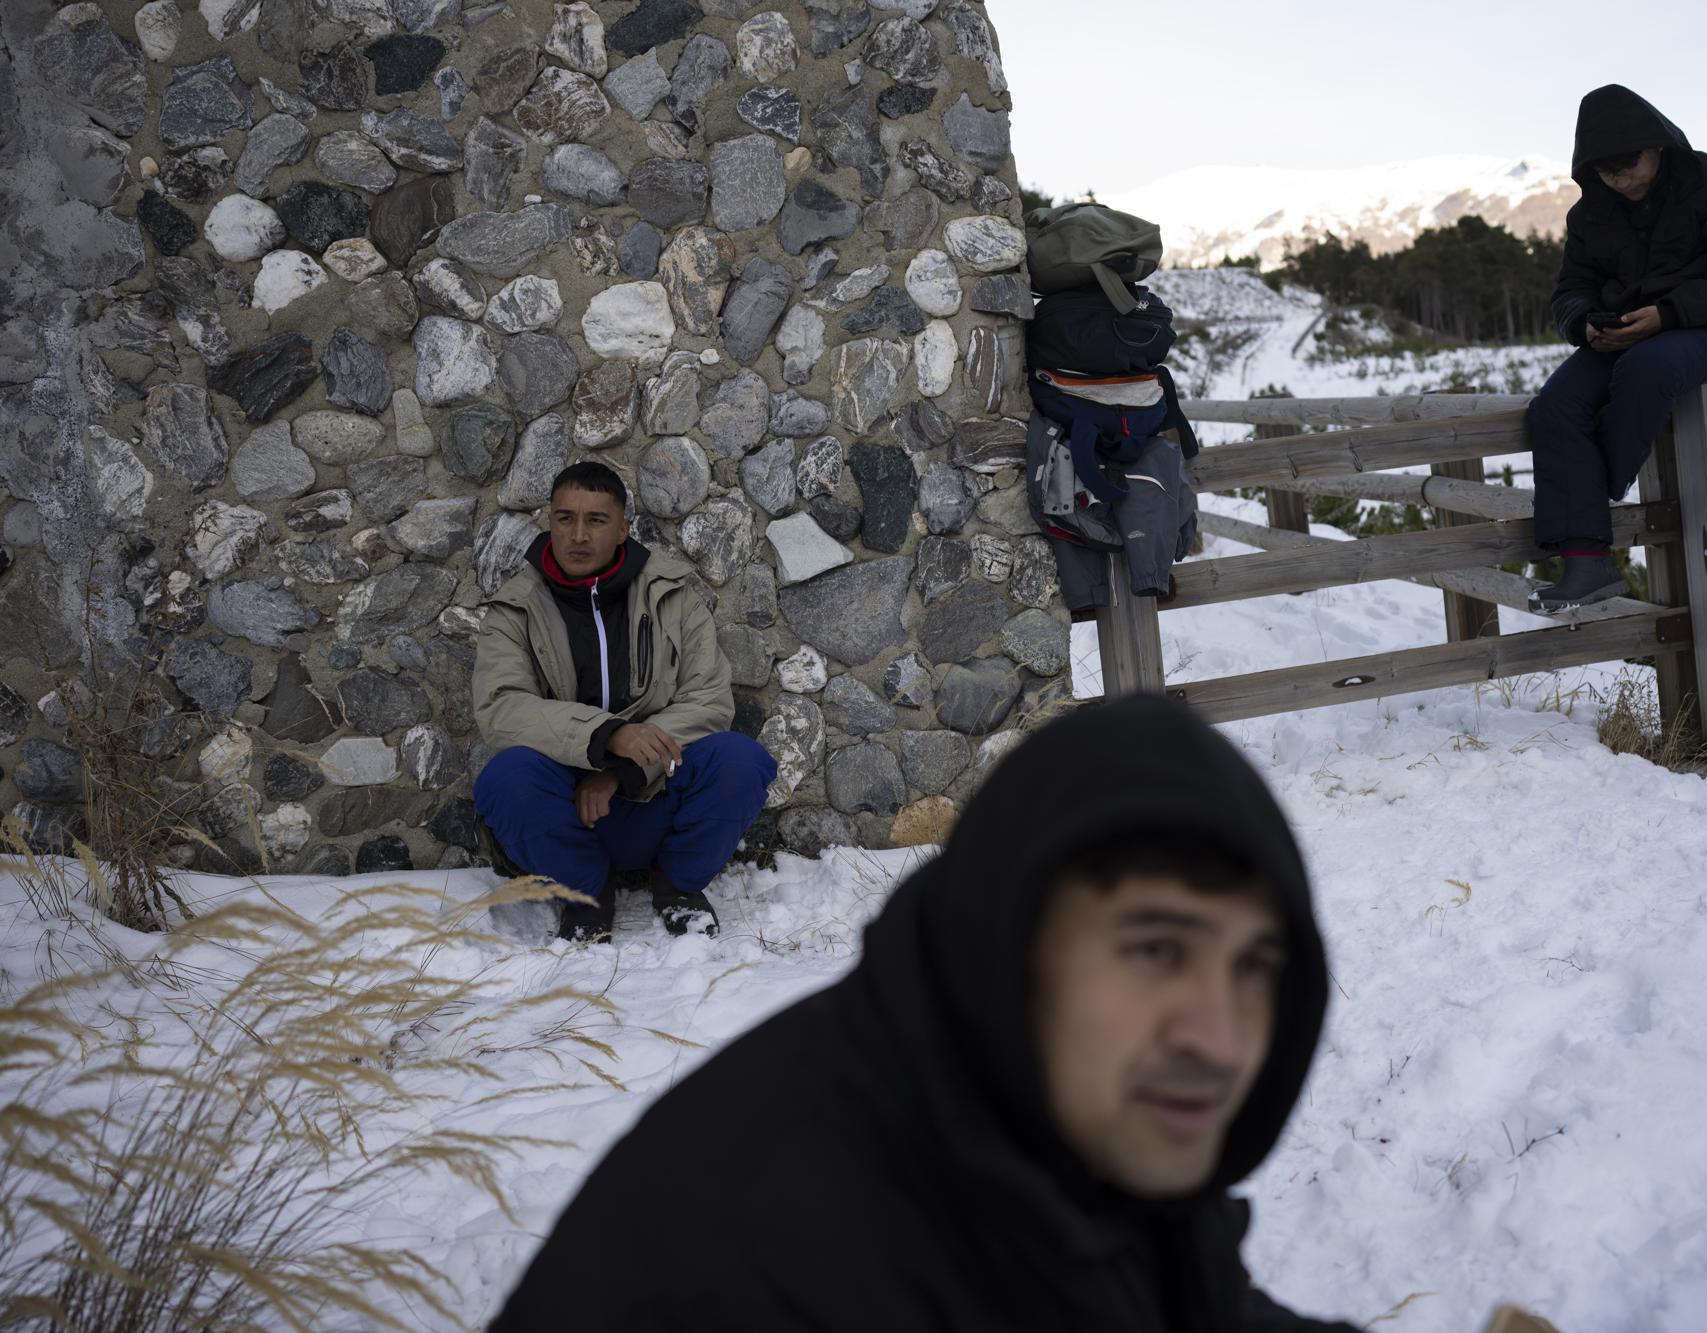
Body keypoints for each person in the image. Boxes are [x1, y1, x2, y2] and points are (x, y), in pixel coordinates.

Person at [490, 694, 1361, 1331]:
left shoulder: (1064, 1114)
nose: (1215, 1035)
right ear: (1011, 939)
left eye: (1256, 965)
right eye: (1154, 951)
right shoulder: (775, 1257)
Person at [472, 461, 775, 941]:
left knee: (741, 760)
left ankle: (678, 887)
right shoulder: (515, 609)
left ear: (622, 531)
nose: (578, 534)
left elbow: (709, 700)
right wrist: (607, 737)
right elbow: (503, 708)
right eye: (565, 518)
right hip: (571, 808)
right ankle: (585, 896)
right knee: (505, 779)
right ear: (549, 522)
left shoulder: (672, 597)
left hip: (655, 793)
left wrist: (623, 772)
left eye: (596, 520)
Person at [1528, 84, 1707, 609]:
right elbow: (1570, 291)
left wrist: (1670, 314)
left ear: (1657, 145)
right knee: (1553, 408)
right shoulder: (1589, 213)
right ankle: (1586, 563)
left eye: (1629, 166)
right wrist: (1585, 327)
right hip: (1619, 336)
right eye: (1607, 172)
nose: (1621, 180)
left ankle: (1594, 492)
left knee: (1646, 368)